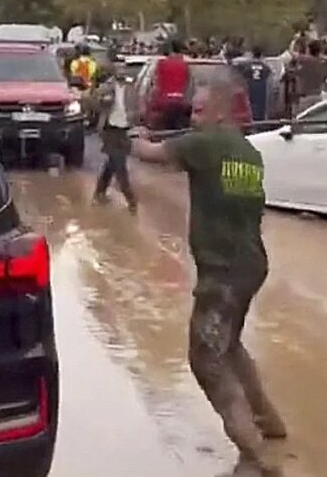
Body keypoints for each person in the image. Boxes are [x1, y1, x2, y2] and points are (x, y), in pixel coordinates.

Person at [131, 77, 287, 473]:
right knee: (229, 344)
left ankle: (256, 456)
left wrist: (130, 134)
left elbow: (148, 153)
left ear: (220, 111)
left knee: (206, 359)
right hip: (251, 265)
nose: (193, 118)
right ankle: (269, 422)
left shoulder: (204, 144)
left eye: (199, 111)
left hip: (221, 273)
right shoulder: (249, 152)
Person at [93, 64, 138, 213]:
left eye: (124, 69)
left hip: (124, 129)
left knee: (112, 163)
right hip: (110, 129)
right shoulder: (106, 86)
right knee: (119, 164)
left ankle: (99, 191)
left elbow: (136, 106)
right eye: (119, 69)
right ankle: (130, 198)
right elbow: (93, 101)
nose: (122, 72)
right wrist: (103, 100)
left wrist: (135, 120)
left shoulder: (131, 87)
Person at [154, 39, 192, 130]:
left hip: (164, 103)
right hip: (181, 103)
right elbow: (188, 83)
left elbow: (157, 84)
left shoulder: (162, 64)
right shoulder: (185, 65)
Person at [238, 46, 272, 122]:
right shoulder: (264, 66)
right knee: (261, 106)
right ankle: (260, 121)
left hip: (251, 86)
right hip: (261, 87)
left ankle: (251, 120)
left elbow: (244, 75)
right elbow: (268, 74)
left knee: (250, 104)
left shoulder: (248, 66)